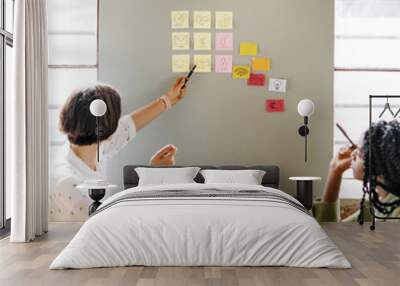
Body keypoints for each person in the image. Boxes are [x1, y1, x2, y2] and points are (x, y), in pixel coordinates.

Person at [49, 77, 187, 221]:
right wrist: (151, 176)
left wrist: (168, 99)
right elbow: (115, 223)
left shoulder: (92, 145)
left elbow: (128, 126)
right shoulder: (70, 185)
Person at [313, 120, 400, 222]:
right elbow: (329, 231)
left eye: (358, 151)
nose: (352, 154)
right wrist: (335, 170)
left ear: (375, 162)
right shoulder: (378, 206)